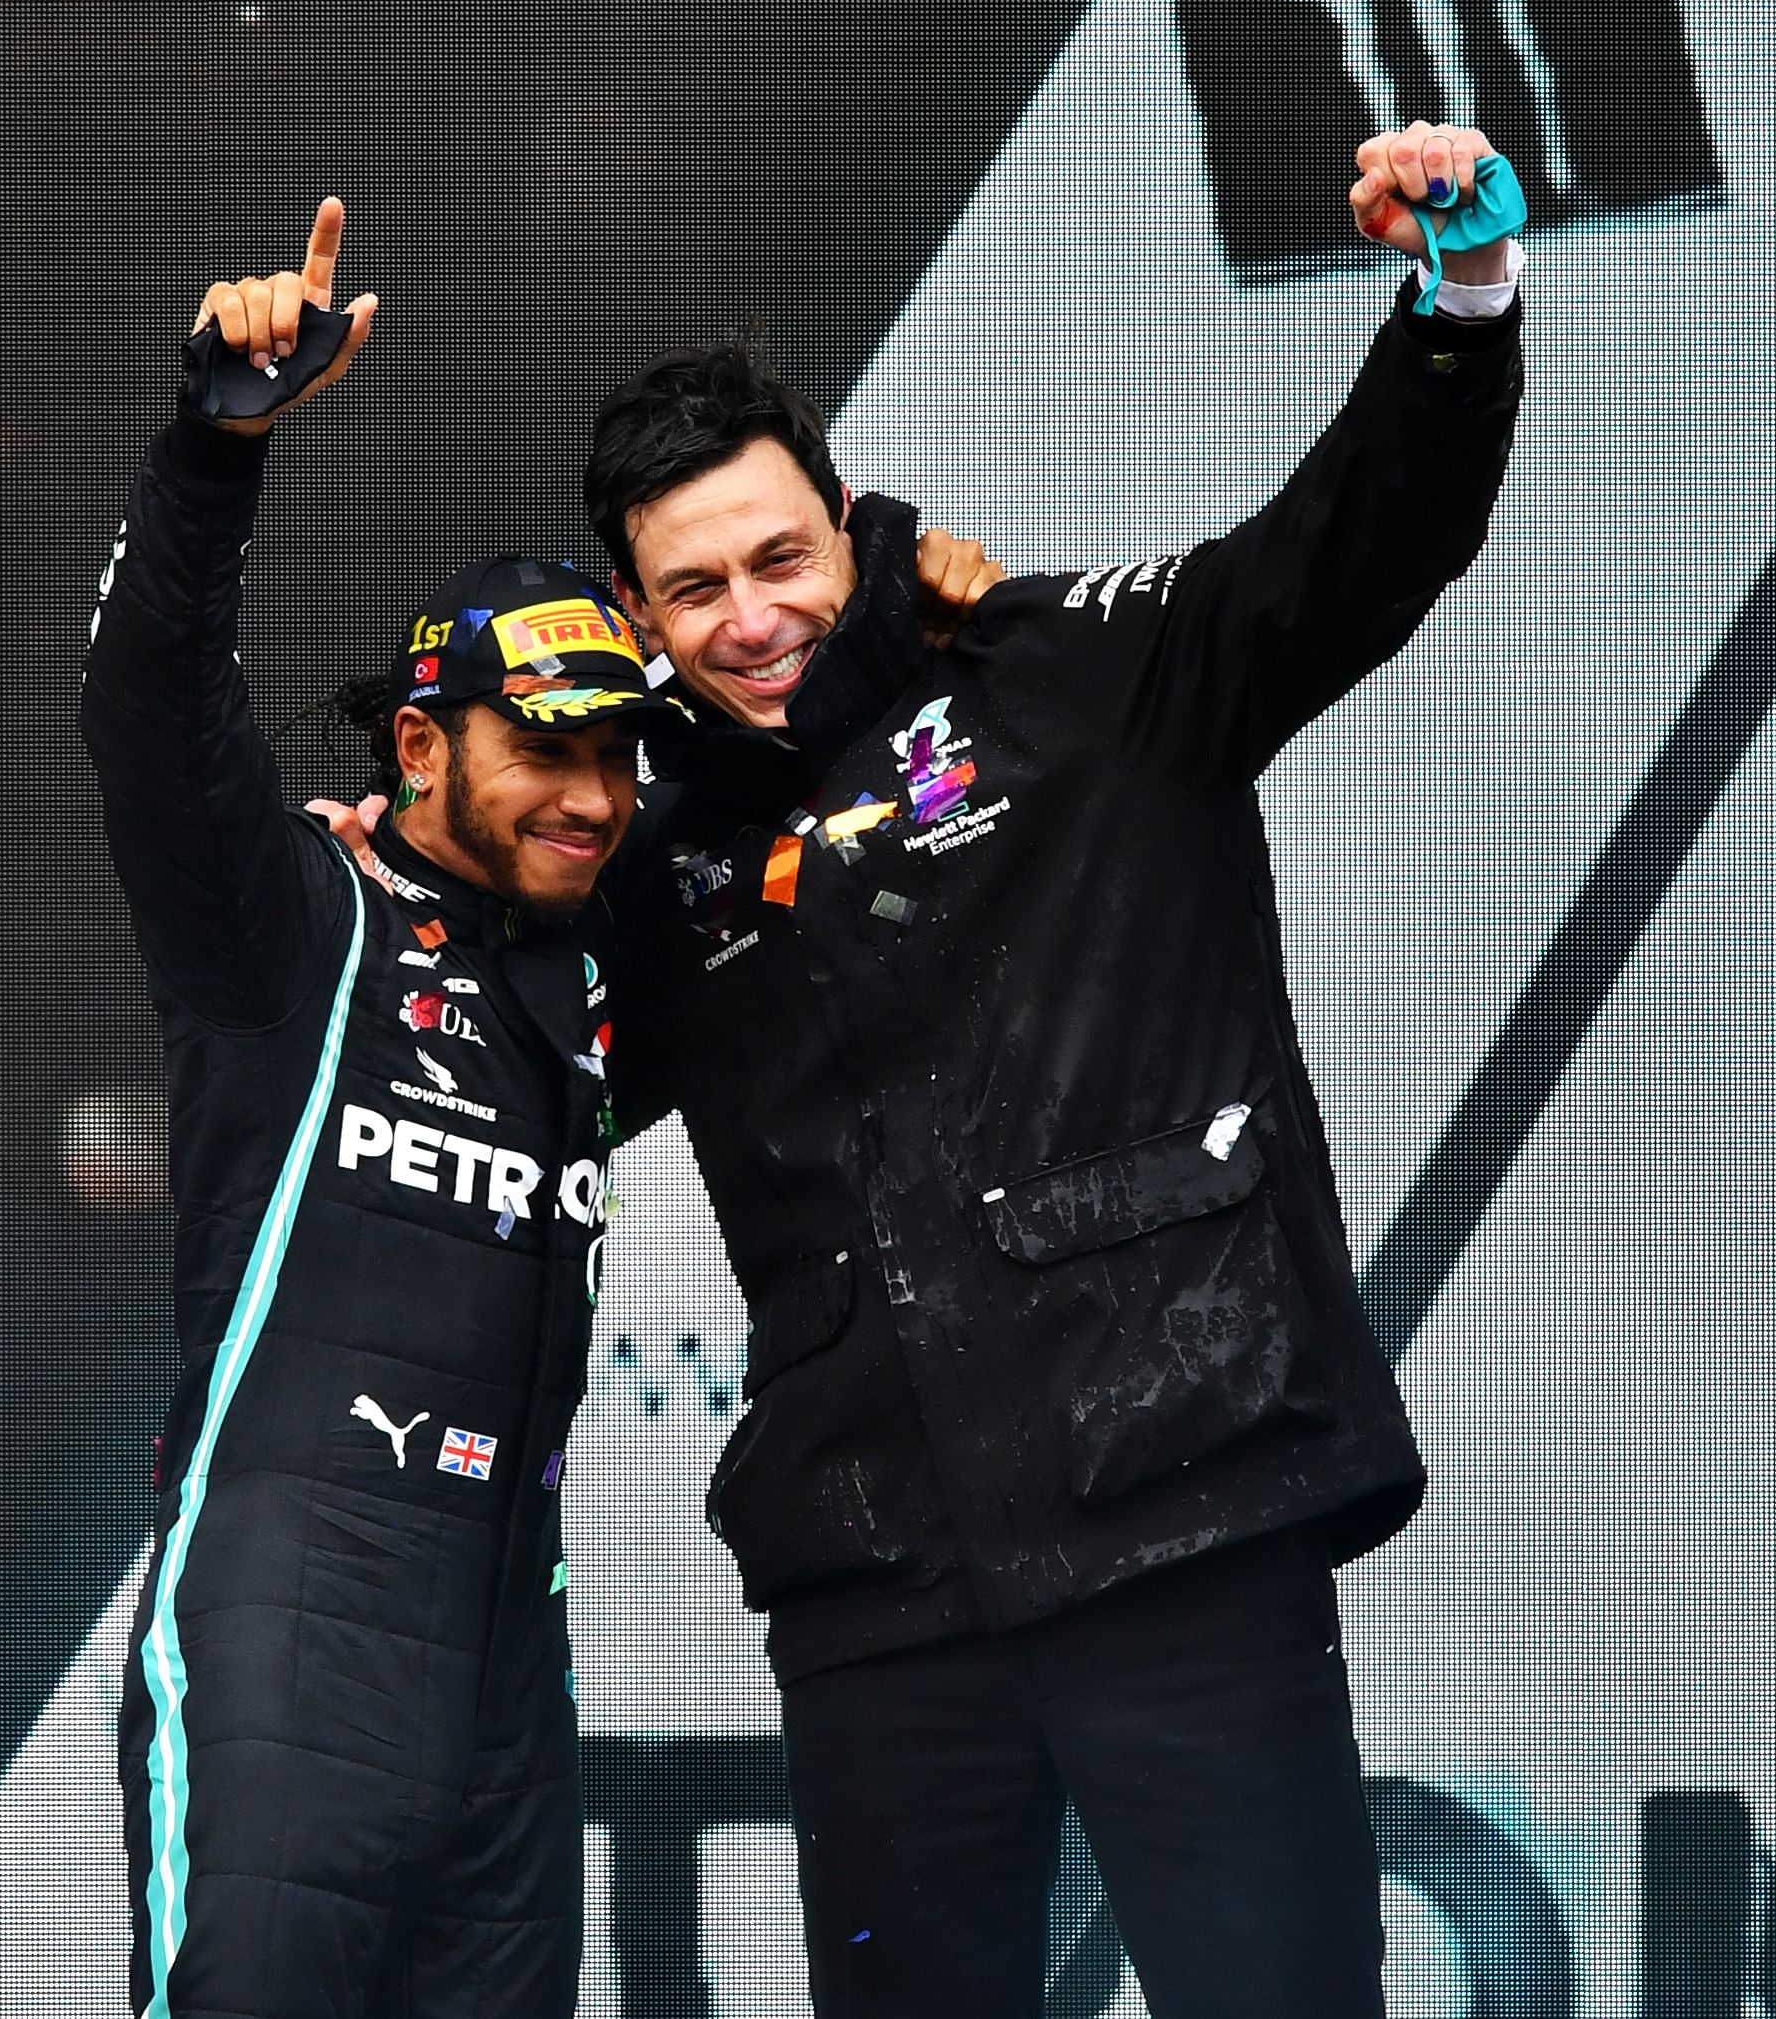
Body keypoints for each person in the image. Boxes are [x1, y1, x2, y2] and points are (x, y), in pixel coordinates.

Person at [583, 122, 1530, 2015]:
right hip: (881, 1592)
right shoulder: (654, 859)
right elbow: (527, 1064)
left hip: (1178, 1509)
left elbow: (1349, 552)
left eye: (779, 557)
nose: (751, 617)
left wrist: (1461, 303)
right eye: (696, 594)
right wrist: (407, 870)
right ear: (640, 629)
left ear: (846, 530)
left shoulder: (1074, 680)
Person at [78, 199, 659, 2019]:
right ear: (419, 747)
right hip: (289, 1608)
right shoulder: (291, 918)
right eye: (545, 748)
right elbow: (147, 703)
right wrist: (216, 443)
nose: (593, 794)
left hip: (510, 1645)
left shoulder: (595, 977)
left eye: (618, 754)